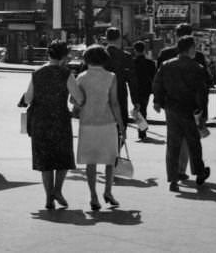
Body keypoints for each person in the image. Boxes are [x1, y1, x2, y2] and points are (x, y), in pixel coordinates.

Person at [22, 40, 82, 210]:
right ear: (64, 56)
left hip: (40, 120)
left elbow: (28, 98)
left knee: (45, 161)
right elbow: (78, 97)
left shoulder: (37, 73)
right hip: (60, 119)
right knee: (63, 158)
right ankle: (57, 190)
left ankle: (49, 196)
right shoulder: (66, 74)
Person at [152, 35, 211, 192]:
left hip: (171, 109)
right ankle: (199, 172)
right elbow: (202, 92)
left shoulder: (166, 65)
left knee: (173, 144)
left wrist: (158, 101)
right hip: (189, 109)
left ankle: (173, 178)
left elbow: (157, 84)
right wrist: (202, 112)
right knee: (194, 142)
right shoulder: (197, 68)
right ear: (191, 49)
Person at [74, 44, 125, 210]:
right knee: (110, 160)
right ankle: (108, 192)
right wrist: (121, 125)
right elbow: (115, 103)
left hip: (87, 123)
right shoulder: (111, 77)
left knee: (91, 162)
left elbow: (75, 101)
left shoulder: (81, 77)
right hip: (108, 122)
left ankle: (93, 196)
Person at [104, 27, 135, 128]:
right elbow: (132, 81)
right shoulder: (126, 56)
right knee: (120, 126)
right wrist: (136, 101)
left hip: (102, 95)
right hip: (120, 94)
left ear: (106, 39)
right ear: (119, 39)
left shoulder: (99, 55)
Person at [131, 41, 156, 141]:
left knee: (137, 109)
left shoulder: (132, 62)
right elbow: (154, 77)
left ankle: (142, 128)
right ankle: (142, 129)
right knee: (143, 108)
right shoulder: (150, 63)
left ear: (135, 50)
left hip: (135, 89)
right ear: (144, 50)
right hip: (146, 89)